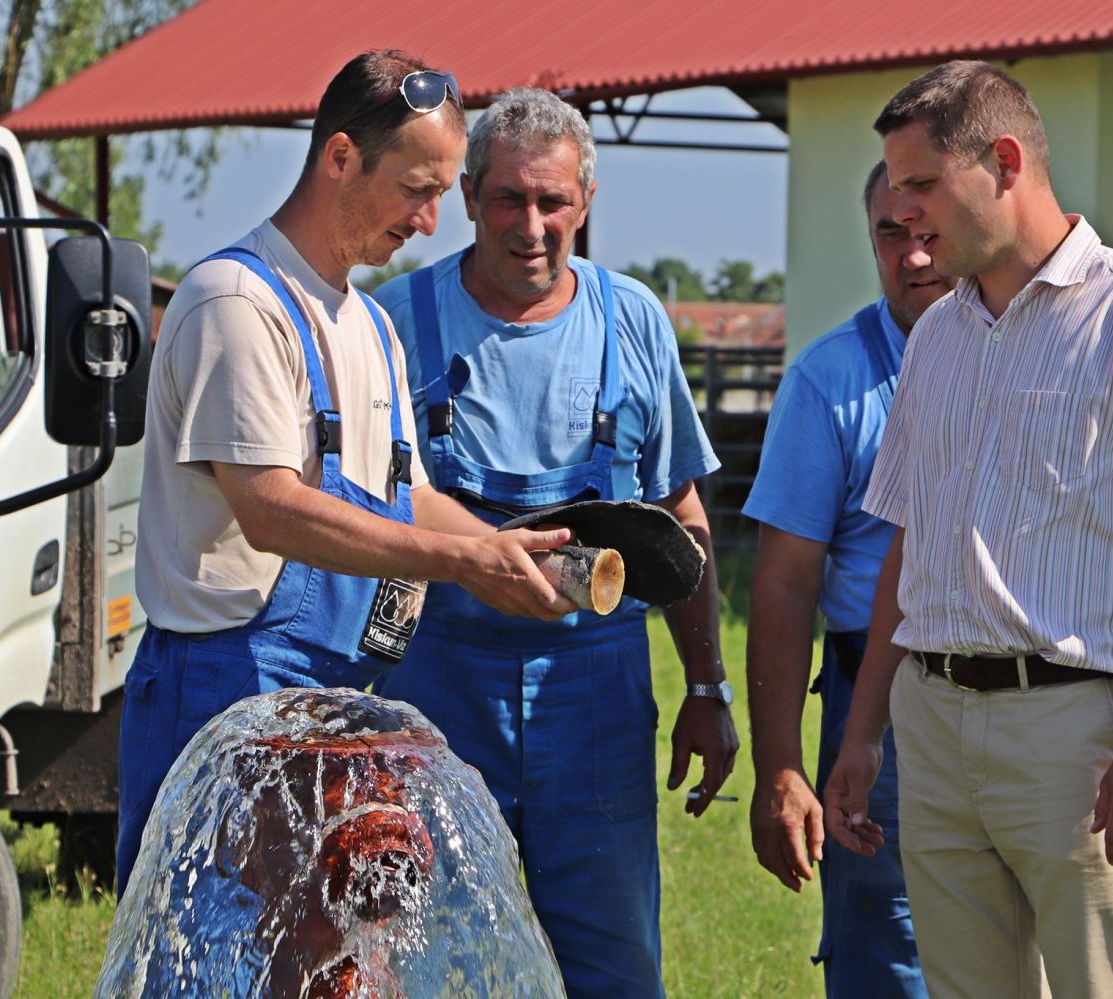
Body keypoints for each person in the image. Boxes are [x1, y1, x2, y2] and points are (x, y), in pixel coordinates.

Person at [119, 51, 577, 896]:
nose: (431, 222)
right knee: (221, 952)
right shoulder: (237, 303)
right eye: (416, 189)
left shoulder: (369, 323)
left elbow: (408, 497)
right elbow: (271, 509)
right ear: (339, 157)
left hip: (338, 695)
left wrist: (513, 550)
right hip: (226, 692)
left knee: (335, 954)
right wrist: (462, 562)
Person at [824, 61, 1113, 998]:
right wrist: (864, 730)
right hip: (933, 719)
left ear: (1004, 162)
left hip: (1076, 729)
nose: (905, 212)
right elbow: (911, 546)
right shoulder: (938, 335)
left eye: (923, 183)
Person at [372, 88, 739, 998]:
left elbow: (681, 519)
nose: (530, 226)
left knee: (613, 964)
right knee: (438, 961)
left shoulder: (633, 321)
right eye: (508, 198)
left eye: (552, 201)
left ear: (586, 201)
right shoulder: (393, 323)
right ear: (468, 196)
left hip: (596, 696)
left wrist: (705, 688)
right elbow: (351, 517)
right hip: (437, 688)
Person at [743, 160, 948, 998]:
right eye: (891, 235)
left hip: (1021, 697)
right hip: (876, 698)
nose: (914, 256)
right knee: (887, 940)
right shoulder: (830, 380)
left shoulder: (1031, 358)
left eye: (931, 233)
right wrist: (781, 767)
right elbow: (786, 582)